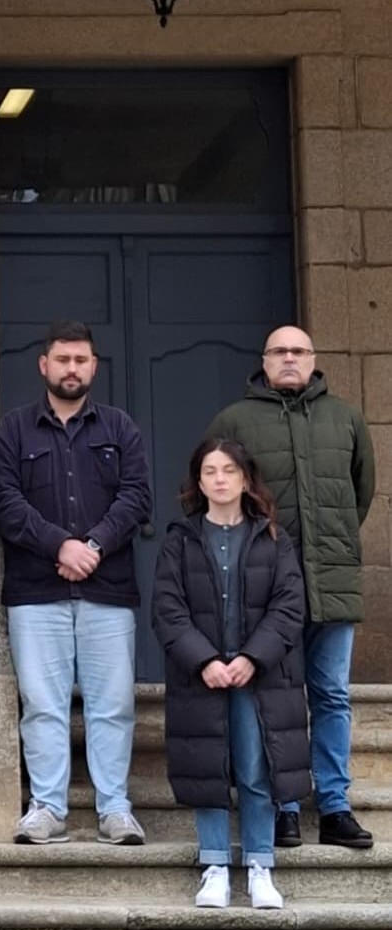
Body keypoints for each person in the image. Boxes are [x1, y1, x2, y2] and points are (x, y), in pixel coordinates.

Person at [206, 325, 376, 850]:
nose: (288, 359)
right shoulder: (235, 419)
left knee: (330, 695)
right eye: (279, 351)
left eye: (298, 352)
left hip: (331, 581)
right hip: (265, 589)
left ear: (313, 360)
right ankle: (284, 807)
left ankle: (335, 807)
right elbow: (217, 490)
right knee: (275, 700)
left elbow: (360, 492)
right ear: (264, 360)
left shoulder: (344, 416)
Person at [0, 320, 152, 847]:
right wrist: (60, 545)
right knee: (42, 704)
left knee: (113, 704)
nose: (72, 369)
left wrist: (94, 546)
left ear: (94, 366)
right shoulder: (13, 431)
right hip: (37, 593)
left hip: (108, 590)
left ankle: (115, 809)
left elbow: (137, 497)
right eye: (63, 360)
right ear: (44, 365)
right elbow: (5, 503)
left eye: (81, 360)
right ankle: (48, 808)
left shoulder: (120, 428)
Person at [153, 439, 309, 910]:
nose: (220, 479)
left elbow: (288, 606)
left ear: (245, 478)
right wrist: (204, 660)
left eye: (229, 470)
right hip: (202, 676)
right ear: (198, 482)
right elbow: (168, 609)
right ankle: (215, 865)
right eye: (210, 471)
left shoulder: (274, 539)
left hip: (258, 677)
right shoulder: (179, 539)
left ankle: (260, 864)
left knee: (257, 769)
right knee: (208, 769)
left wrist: (251, 658)